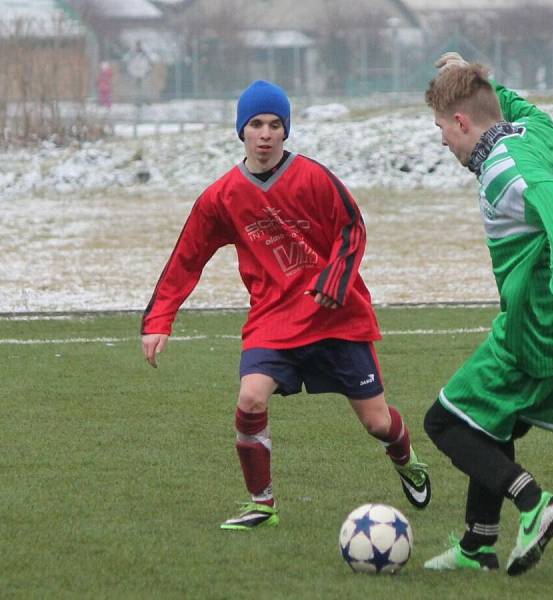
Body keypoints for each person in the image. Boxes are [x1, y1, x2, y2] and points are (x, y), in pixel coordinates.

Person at [140, 79, 431, 530]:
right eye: (256, 123)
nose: (265, 133)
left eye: (275, 124)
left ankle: (405, 456)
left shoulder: (313, 178)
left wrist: (335, 281)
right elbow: (187, 257)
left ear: (285, 131)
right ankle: (262, 503)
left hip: (336, 315)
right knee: (251, 398)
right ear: (241, 130)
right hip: (273, 318)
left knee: (376, 422)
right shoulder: (222, 197)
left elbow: (352, 230)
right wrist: (159, 320)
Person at [421, 54, 553, 575]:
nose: (444, 142)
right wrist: (469, 72)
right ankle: (477, 546)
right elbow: (508, 103)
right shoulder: (532, 128)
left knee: (445, 422)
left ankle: (534, 503)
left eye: (443, 129)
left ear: (463, 123)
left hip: (544, 330)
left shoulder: (503, 170)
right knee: (491, 419)